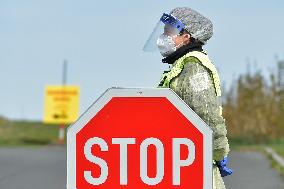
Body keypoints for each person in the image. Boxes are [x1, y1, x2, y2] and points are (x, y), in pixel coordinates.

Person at [143, 7, 233, 189]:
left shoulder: (194, 67)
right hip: (182, 160)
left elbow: (206, 114)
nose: (163, 37)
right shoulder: (182, 65)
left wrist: (217, 151)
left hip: (196, 164)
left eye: (169, 32)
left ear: (186, 36)